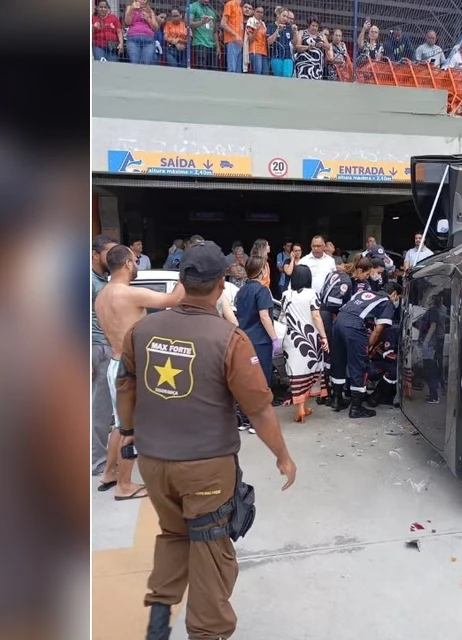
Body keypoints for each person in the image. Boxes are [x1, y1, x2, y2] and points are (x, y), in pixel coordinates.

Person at [114, 240, 296, 640]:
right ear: (219, 286)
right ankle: (206, 632)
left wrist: (128, 431)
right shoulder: (229, 339)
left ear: (181, 281)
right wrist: (282, 455)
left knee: (173, 534)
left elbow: (125, 384)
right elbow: (260, 409)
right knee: (211, 547)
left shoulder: (142, 330)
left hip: (153, 462)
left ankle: (158, 619)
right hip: (206, 468)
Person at [95, 245, 190, 500]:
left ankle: (109, 473)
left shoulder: (102, 296)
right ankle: (124, 485)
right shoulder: (129, 294)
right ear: (127, 263)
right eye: (135, 260)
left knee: (120, 425)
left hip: (115, 364)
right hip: (130, 369)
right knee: (132, 429)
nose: (137, 264)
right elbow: (173, 300)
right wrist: (186, 272)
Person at [331, 283, 398, 418]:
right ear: (394, 294)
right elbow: (378, 329)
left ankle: (337, 399)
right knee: (359, 365)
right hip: (354, 326)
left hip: (338, 322)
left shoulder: (362, 293)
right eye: (398, 298)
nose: (397, 301)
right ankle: (356, 407)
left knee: (339, 361)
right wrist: (366, 347)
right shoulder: (387, 302)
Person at [321, 257, 374, 407]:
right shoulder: (349, 282)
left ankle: (332, 395)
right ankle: (339, 395)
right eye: (367, 274)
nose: (368, 277)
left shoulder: (338, 274)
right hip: (337, 319)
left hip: (330, 318)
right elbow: (335, 303)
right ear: (359, 270)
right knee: (344, 358)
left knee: (334, 358)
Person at [233, 257, 278, 430]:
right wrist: (274, 338)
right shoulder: (262, 290)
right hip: (260, 341)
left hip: (244, 340)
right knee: (261, 380)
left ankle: (245, 418)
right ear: (261, 271)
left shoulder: (241, 290)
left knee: (246, 380)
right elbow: (264, 316)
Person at [281, 265, 329, 421]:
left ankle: (302, 407)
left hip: (291, 339)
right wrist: (324, 337)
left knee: (297, 373)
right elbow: (316, 316)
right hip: (310, 339)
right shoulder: (312, 294)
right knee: (310, 372)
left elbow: (283, 316)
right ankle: (302, 407)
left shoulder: (285, 294)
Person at [92, 234, 119, 476]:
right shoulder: (89, 280)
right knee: (98, 409)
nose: (113, 258)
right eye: (109, 253)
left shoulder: (102, 280)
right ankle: (97, 462)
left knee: (100, 409)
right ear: (94, 255)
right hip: (95, 348)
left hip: (103, 347)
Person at [366, 281, 403, 406]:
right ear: (394, 294)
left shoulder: (373, 303)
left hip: (362, 355)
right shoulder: (388, 322)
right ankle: (375, 397)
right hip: (371, 361)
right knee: (395, 370)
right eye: (398, 297)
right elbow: (388, 355)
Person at [125, 0, 161, 64]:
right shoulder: (130, 7)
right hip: (133, 38)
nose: (143, 1)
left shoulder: (150, 11)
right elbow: (128, 22)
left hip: (148, 39)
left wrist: (148, 19)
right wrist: (131, 9)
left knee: (146, 63)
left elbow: (156, 28)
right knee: (134, 62)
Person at [188, 0, 219, 70]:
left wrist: (218, 46)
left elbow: (214, 31)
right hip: (200, 43)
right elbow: (188, 23)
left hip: (212, 45)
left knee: (214, 69)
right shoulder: (193, 7)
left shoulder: (211, 11)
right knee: (202, 68)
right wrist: (202, 22)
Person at [265, 8, 295, 77]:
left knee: (287, 76)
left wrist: (295, 32)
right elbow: (269, 42)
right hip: (276, 57)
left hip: (288, 57)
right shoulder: (271, 26)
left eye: (287, 17)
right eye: (283, 16)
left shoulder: (288, 28)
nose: (285, 18)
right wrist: (277, 30)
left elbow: (294, 42)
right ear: (278, 15)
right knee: (278, 77)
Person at [220, 0, 246, 73]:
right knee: (232, 69)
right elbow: (223, 23)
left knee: (238, 71)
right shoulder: (230, 4)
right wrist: (235, 34)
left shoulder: (240, 7)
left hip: (239, 42)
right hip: (232, 41)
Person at [246, 5, 269, 74]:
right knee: (257, 73)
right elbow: (250, 39)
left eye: (261, 12)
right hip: (255, 50)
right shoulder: (251, 21)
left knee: (265, 73)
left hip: (264, 51)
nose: (260, 14)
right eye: (258, 12)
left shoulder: (263, 23)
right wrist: (256, 29)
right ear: (253, 12)